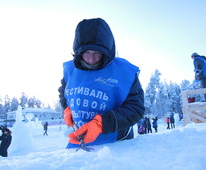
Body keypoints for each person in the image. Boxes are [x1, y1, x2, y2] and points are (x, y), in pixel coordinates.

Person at [58, 18, 145, 149]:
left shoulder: (124, 72)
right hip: (80, 140)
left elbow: (136, 108)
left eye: (97, 53)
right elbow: (63, 93)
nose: (91, 59)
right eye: (86, 52)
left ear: (107, 52)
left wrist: (101, 123)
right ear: (78, 51)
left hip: (118, 143)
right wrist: (67, 108)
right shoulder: (70, 70)